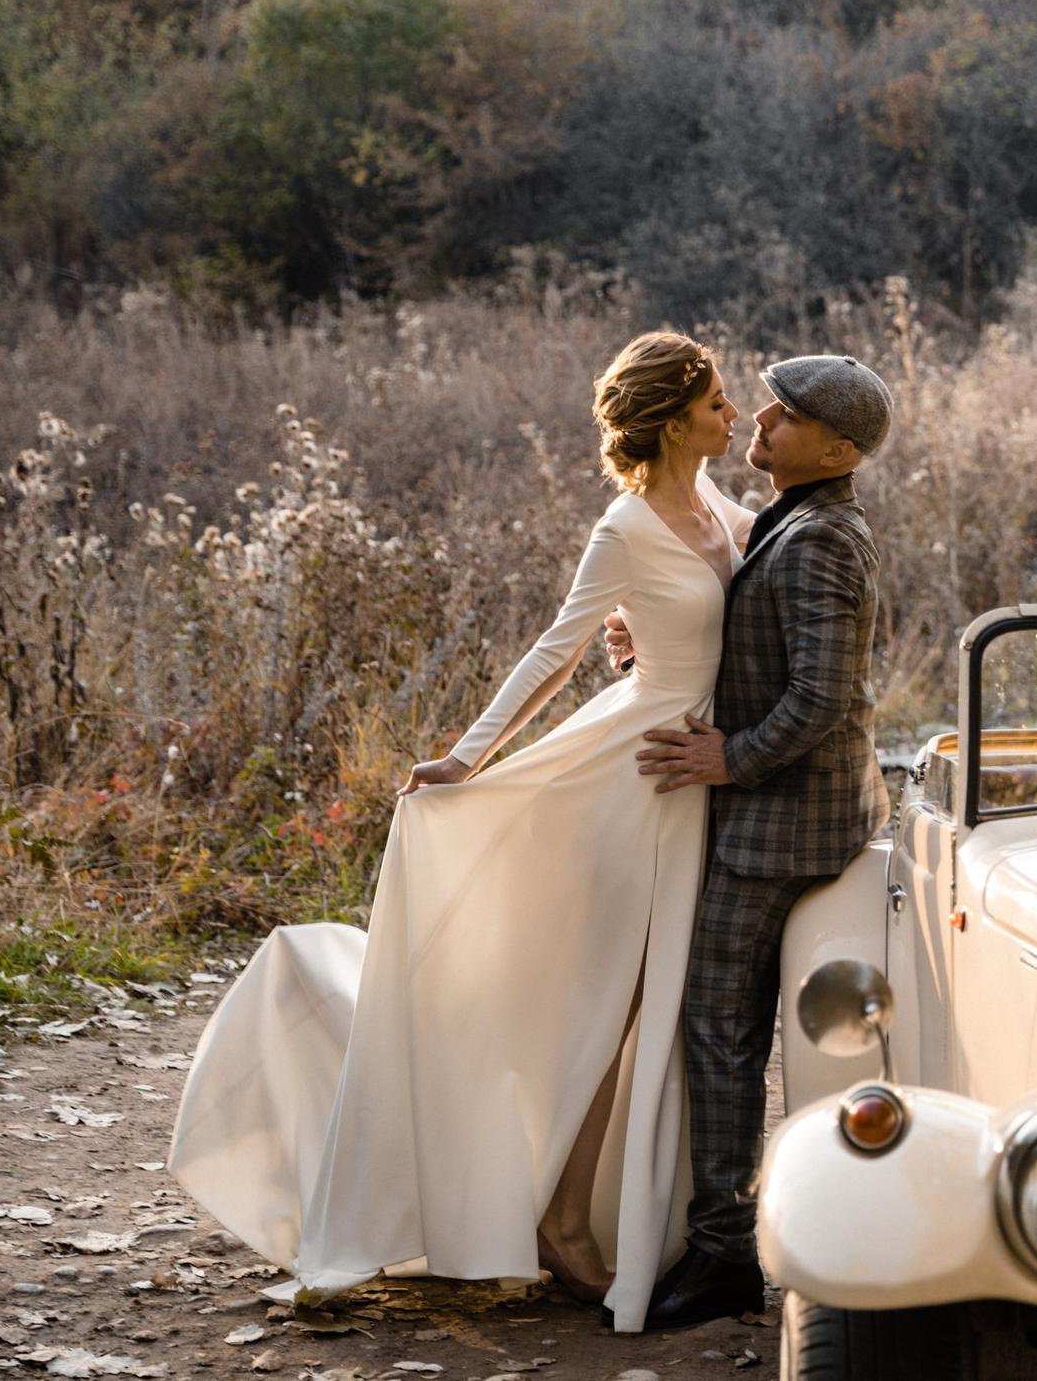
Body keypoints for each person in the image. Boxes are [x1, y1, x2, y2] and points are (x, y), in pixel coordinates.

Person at [168, 332, 756, 1333]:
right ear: (671, 419)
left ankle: (590, 1211)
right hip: (628, 780)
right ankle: (561, 1219)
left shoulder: (731, 513)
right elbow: (553, 649)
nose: (731, 417)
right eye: (714, 404)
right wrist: (468, 759)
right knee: (613, 1005)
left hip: (701, 776)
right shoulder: (623, 527)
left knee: (650, 1009)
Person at [610, 354, 893, 1330]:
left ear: (839, 448)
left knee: (719, 1030)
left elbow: (824, 695)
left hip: (781, 828)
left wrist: (732, 760)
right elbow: (744, 626)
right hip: (787, 810)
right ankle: (728, 1234)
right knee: (721, 1031)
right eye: (768, 402)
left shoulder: (824, 539)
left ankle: (728, 1254)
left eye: (793, 411)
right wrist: (645, 637)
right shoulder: (792, 516)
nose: (765, 416)